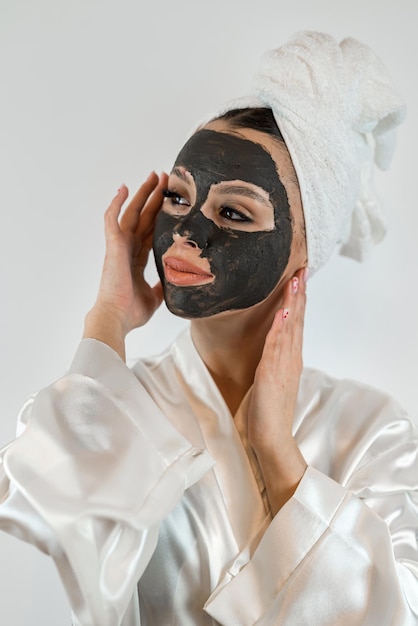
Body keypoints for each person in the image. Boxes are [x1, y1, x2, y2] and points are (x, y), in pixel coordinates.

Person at [0, 31, 417, 626]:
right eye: (178, 198)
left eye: (234, 211)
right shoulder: (116, 402)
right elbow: (30, 531)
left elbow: (394, 613)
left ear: (307, 251)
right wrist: (107, 322)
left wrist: (278, 455)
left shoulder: (370, 430)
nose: (188, 232)